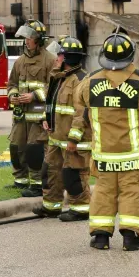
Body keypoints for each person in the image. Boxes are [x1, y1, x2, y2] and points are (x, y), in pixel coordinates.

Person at [71, 30, 139, 251]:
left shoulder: (90, 81)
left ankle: (100, 237)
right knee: (131, 192)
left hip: (103, 154)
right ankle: (131, 237)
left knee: (103, 192)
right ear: (130, 57)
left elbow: (77, 97)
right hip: (132, 155)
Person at [35, 36, 92, 221]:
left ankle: (81, 209)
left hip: (73, 141)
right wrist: (46, 118)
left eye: (59, 55)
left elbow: (81, 113)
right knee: (49, 171)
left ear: (67, 58)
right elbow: (52, 103)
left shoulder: (80, 81)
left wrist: (74, 139)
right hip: (56, 138)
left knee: (73, 174)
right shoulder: (59, 78)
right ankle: (51, 206)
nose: (56, 59)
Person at [7, 19, 57, 196]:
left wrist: (34, 96)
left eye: (30, 37)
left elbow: (53, 87)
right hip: (21, 115)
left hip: (38, 115)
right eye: (25, 37)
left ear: (39, 40)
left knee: (34, 149)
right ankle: (20, 180)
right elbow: (11, 83)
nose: (26, 40)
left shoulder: (50, 61)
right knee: (16, 147)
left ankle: (36, 184)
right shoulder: (19, 61)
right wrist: (13, 96)